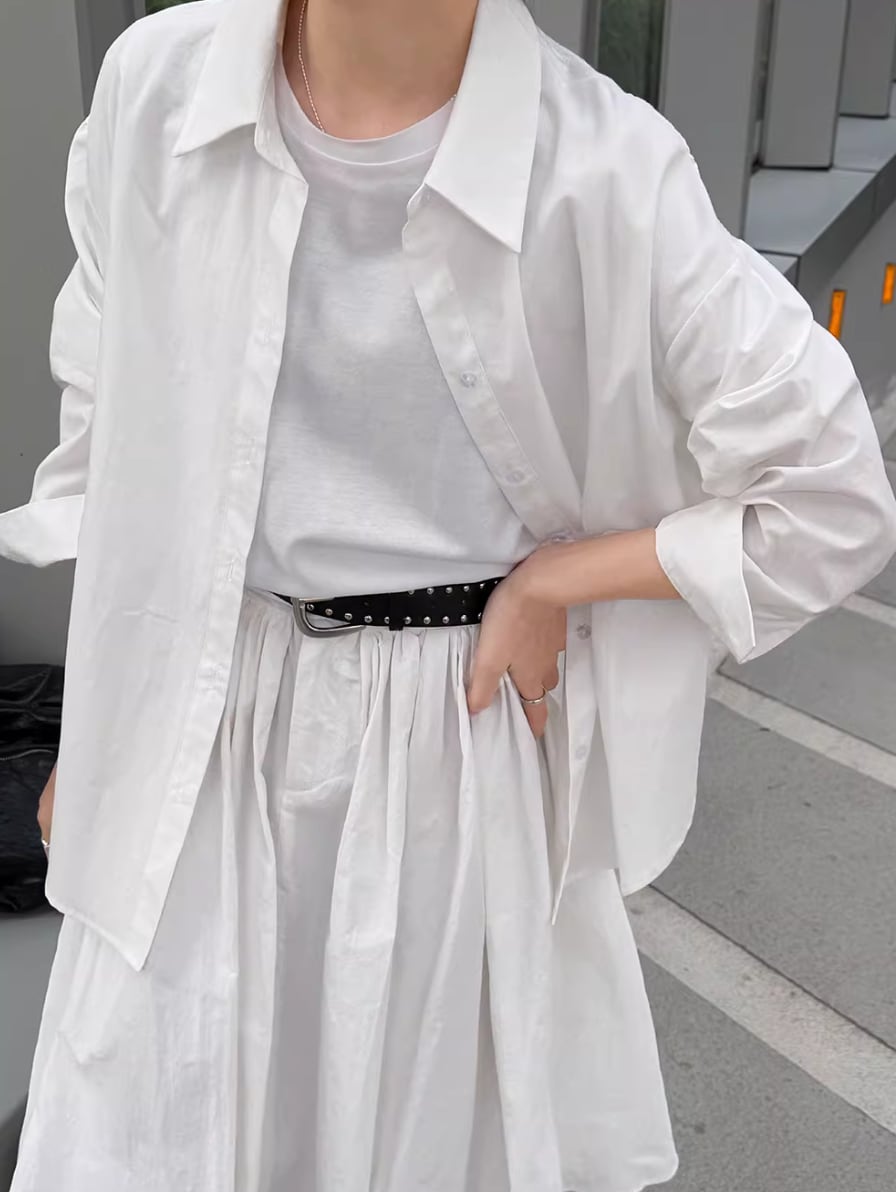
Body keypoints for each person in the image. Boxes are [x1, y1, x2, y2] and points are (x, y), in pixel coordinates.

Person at [3, 0, 896, 1188]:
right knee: (160, 1122)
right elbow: (115, 426)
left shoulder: (601, 167)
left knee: (414, 1128)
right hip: (201, 730)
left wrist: (563, 577)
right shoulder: (158, 88)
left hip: (443, 746)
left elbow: (829, 498)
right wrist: (106, 730)